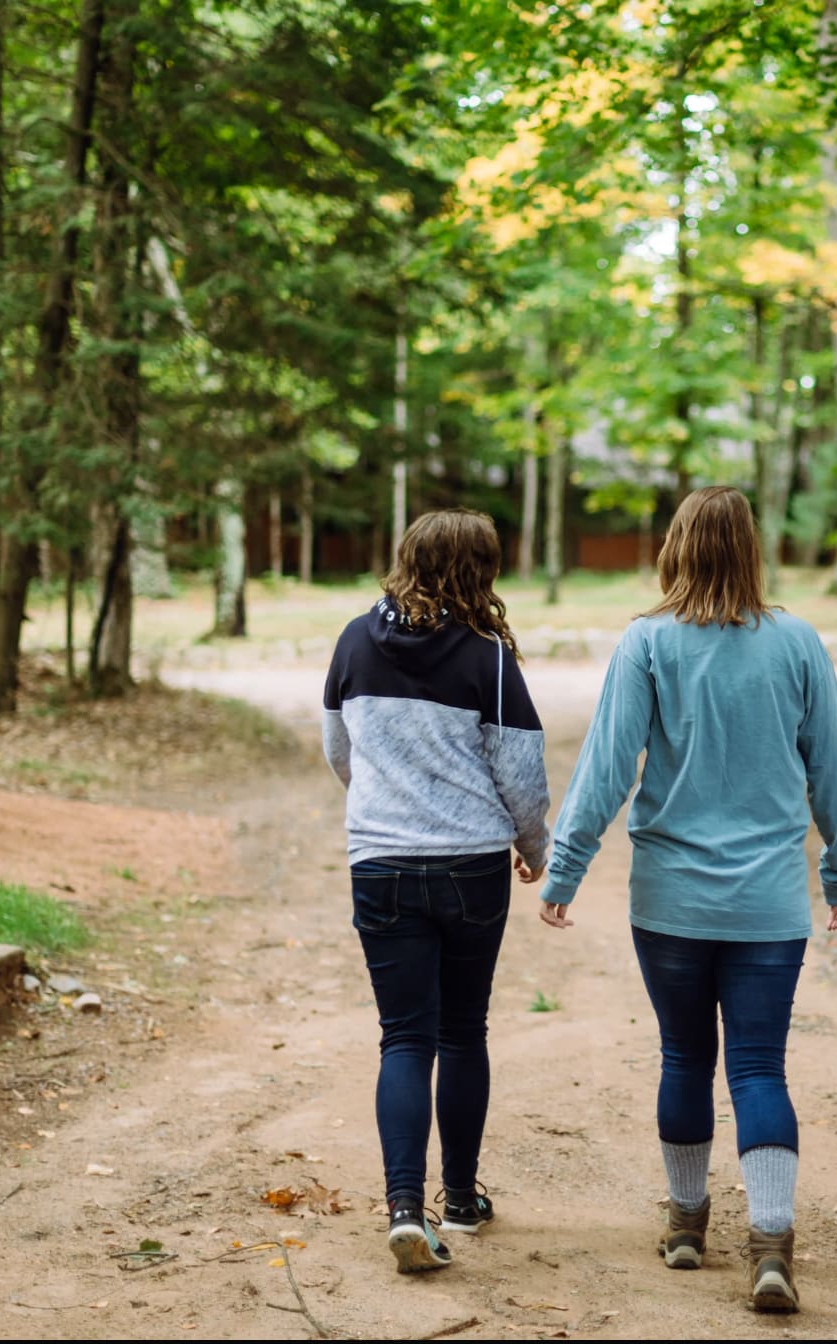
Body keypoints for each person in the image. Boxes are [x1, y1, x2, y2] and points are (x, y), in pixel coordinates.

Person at [537, 486, 837, 1315]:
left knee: (685, 1056)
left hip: (671, 900)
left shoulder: (648, 643)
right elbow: (836, 773)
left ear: (677, 548)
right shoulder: (795, 643)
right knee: (759, 1065)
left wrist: (564, 871)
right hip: (766, 903)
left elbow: (607, 767)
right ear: (752, 550)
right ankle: (771, 1246)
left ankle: (687, 1225)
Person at [321, 509, 550, 1274]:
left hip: (380, 863)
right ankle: (458, 1197)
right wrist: (532, 846)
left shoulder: (354, 640)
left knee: (404, 1037)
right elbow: (522, 776)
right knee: (462, 1032)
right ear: (477, 572)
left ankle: (401, 1208)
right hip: (469, 868)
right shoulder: (486, 659)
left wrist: (387, 803)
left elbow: (337, 749)